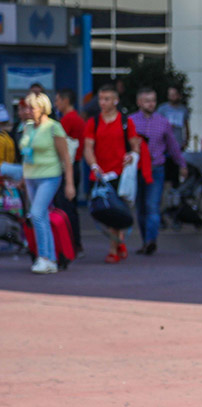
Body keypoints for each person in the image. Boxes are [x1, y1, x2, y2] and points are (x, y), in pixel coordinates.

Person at [19, 92, 74, 274]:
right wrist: (22, 178)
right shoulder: (27, 127)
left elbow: (66, 157)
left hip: (50, 176)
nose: (28, 111)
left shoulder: (54, 127)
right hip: (31, 176)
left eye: (32, 107)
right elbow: (26, 154)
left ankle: (45, 257)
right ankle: (49, 259)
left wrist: (69, 183)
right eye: (27, 107)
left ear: (42, 108)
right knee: (40, 216)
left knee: (36, 214)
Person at [84, 83, 140, 264]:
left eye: (107, 99)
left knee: (115, 211)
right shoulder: (93, 122)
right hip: (99, 175)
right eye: (101, 98)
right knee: (103, 212)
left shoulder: (126, 122)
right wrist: (93, 165)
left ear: (115, 101)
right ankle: (119, 242)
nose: (103, 102)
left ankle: (113, 249)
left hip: (119, 174)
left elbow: (135, 145)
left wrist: (132, 156)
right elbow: (88, 147)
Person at [130, 87, 187, 255]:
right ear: (139, 102)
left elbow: (173, 146)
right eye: (147, 100)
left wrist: (182, 164)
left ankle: (151, 240)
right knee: (140, 208)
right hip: (137, 170)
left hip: (156, 169)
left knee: (152, 206)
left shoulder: (163, 122)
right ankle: (145, 240)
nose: (151, 104)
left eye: (153, 100)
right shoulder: (131, 121)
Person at [54, 88, 85, 253]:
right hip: (75, 166)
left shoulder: (68, 120)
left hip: (69, 168)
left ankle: (72, 244)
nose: (56, 104)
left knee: (65, 208)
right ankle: (74, 244)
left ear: (65, 101)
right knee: (69, 207)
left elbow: (58, 146)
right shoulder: (76, 119)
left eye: (57, 100)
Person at [160, 85, 190, 152]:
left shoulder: (183, 109)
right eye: (170, 95)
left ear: (179, 95)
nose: (172, 97)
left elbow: (186, 126)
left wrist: (186, 141)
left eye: (174, 95)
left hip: (179, 143)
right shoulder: (162, 109)